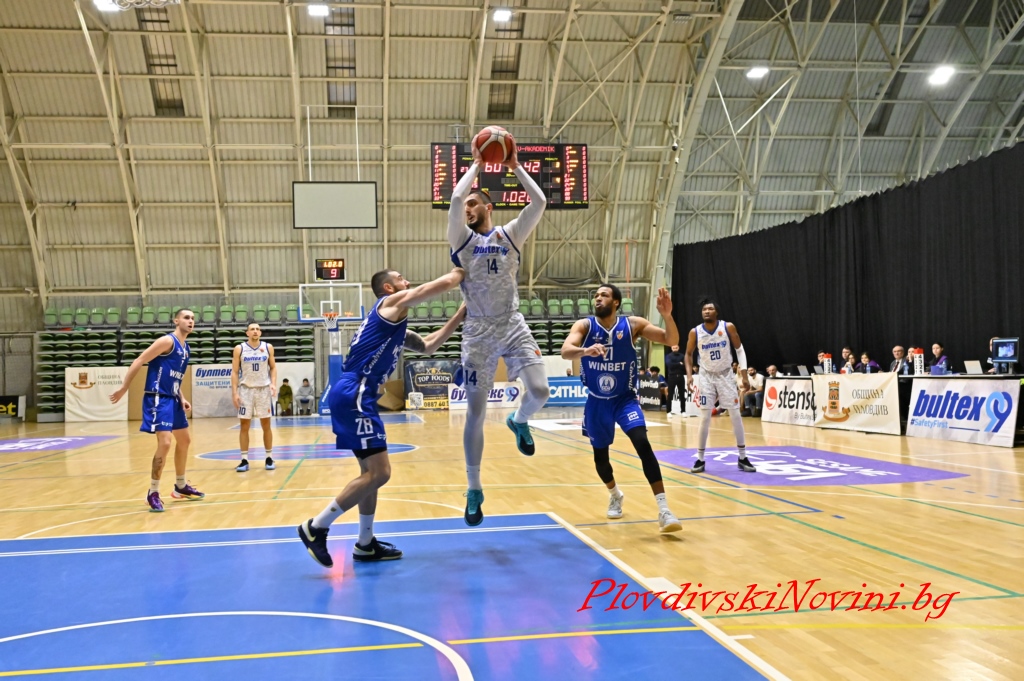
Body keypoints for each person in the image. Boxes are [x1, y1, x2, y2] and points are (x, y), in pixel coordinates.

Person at [298, 268, 467, 568]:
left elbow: (429, 345)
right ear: (388, 288)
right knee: (381, 473)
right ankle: (316, 527)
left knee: (370, 474)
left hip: (356, 395)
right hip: (356, 394)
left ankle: (365, 544)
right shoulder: (387, 305)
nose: (407, 282)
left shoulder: (394, 327)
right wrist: (461, 271)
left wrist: (459, 316)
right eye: (401, 279)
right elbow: (433, 287)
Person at [447, 131, 550, 527]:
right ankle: (474, 488)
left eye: (474, 203)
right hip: (477, 333)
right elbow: (454, 200)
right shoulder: (461, 238)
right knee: (475, 412)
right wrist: (476, 163)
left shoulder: (511, 234)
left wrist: (515, 167)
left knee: (541, 391)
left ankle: (519, 420)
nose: (467, 207)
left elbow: (539, 202)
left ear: (488, 206)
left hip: (512, 323)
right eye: (466, 205)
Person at [561, 285, 682, 533]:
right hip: (597, 401)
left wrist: (667, 316)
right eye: (596, 296)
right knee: (601, 460)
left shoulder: (632, 325)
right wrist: (585, 350)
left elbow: (671, 340)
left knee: (642, 443)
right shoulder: (585, 326)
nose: (598, 298)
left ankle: (664, 509)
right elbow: (565, 351)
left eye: (604, 295)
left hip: (624, 399)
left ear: (616, 302)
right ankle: (615, 494)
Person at [109, 307, 204, 512]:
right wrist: (125, 387)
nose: (190, 321)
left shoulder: (186, 348)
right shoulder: (167, 341)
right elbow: (140, 360)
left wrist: (182, 397)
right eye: (186, 318)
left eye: (192, 318)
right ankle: (152, 492)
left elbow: (174, 377)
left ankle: (180, 486)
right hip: (158, 398)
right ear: (176, 321)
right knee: (166, 442)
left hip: (173, 398)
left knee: (185, 440)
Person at [685, 298, 756, 474]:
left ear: (716, 312)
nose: (706, 311)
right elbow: (688, 354)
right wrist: (689, 375)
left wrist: (744, 375)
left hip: (725, 374)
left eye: (710, 309)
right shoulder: (695, 332)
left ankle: (742, 457)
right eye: (704, 309)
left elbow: (740, 350)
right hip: (706, 376)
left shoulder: (727, 327)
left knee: (735, 414)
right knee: (705, 417)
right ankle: (700, 459)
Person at [232, 322, 277, 472]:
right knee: (244, 425)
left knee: (266, 424)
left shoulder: (268, 347)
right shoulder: (239, 348)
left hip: (263, 389)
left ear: (260, 332)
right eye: (252, 329)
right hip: (246, 390)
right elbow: (234, 372)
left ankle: (269, 457)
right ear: (247, 333)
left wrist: (273, 384)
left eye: (258, 329)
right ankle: (244, 460)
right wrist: (235, 392)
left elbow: (273, 367)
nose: (255, 331)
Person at [664, 344, 687, 413]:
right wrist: (679, 363)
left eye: (676, 348)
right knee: (670, 394)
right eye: (673, 348)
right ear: (671, 348)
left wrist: (677, 364)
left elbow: (684, 365)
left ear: (678, 348)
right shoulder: (668, 356)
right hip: (672, 376)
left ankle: (683, 411)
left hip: (680, 376)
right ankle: (669, 411)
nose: (675, 349)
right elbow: (669, 365)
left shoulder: (682, 356)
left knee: (682, 395)